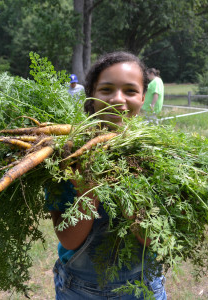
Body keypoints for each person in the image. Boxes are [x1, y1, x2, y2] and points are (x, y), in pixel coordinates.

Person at [46, 52, 167, 299]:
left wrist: (128, 184)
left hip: (141, 288)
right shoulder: (65, 157)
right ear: (91, 94)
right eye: (107, 89)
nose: (117, 99)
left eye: (130, 91)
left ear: (143, 97)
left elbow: (152, 240)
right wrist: (87, 187)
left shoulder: (162, 159)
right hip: (78, 289)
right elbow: (69, 241)